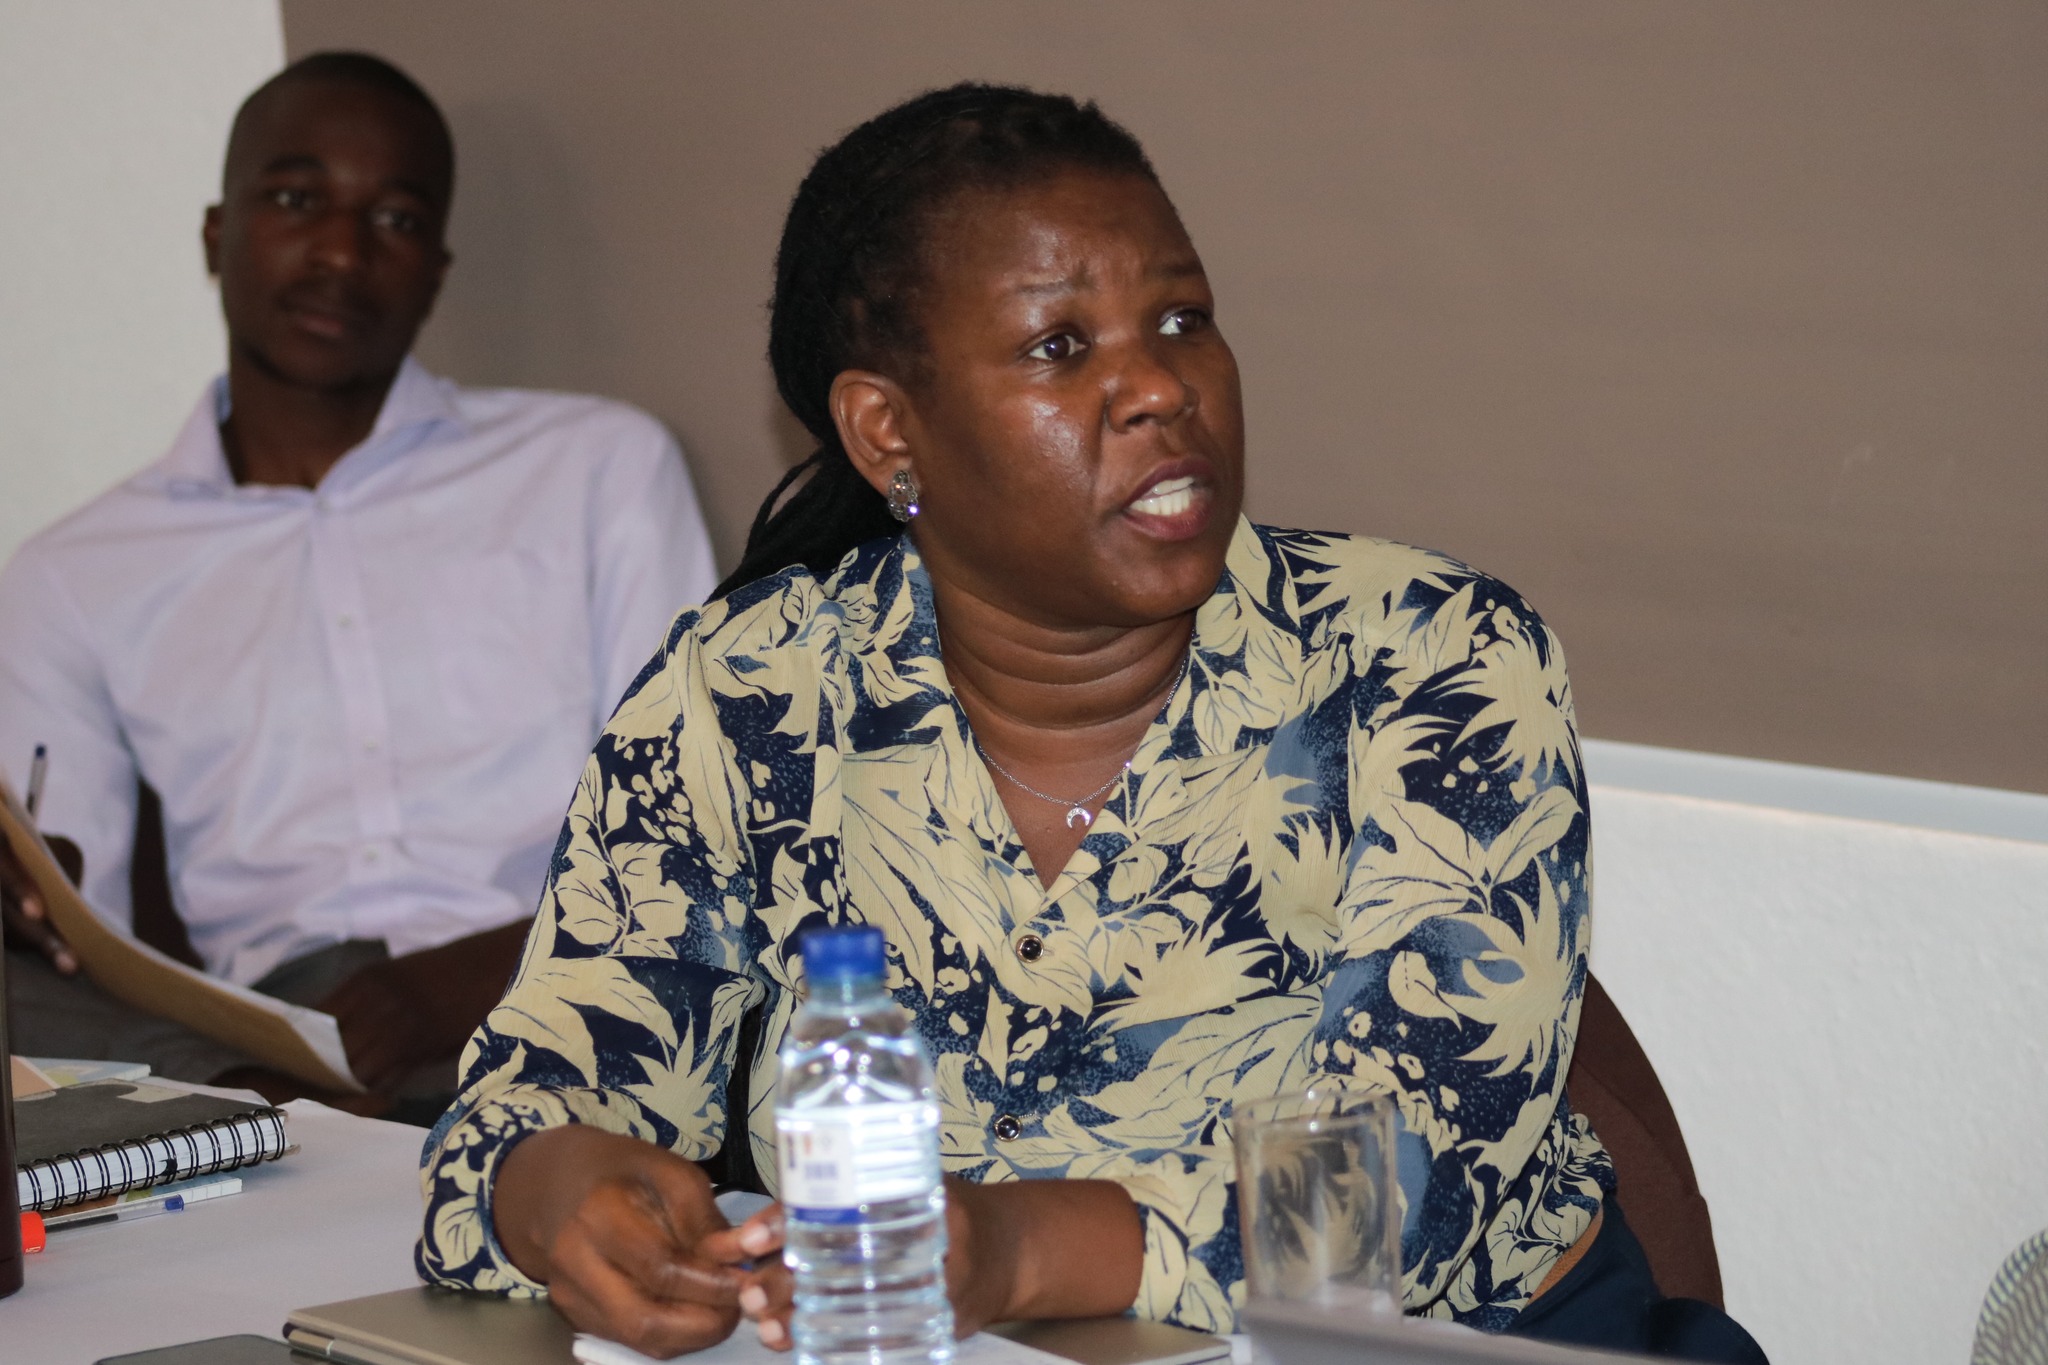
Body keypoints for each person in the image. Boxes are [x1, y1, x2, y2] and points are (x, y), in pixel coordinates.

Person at [417, 85, 1761, 1360]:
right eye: (1061, 347)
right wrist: (557, 1192)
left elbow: (1407, 1190)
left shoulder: (1428, 662)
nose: (1162, 387)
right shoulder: (749, 692)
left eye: (1182, 321)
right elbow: (537, 1089)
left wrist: (1007, 1249)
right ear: (887, 434)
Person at [0, 52, 716, 1111]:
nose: (341, 252)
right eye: (297, 200)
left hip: (559, 989)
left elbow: (693, 822)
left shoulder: (597, 467)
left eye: (394, 218)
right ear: (216, 235)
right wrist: (37, 904)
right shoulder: (74, 573)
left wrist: (452, 988)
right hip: (271, 1031)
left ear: (435, 269)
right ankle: (272, 1110)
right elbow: (79, 922)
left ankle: (290, 1131)